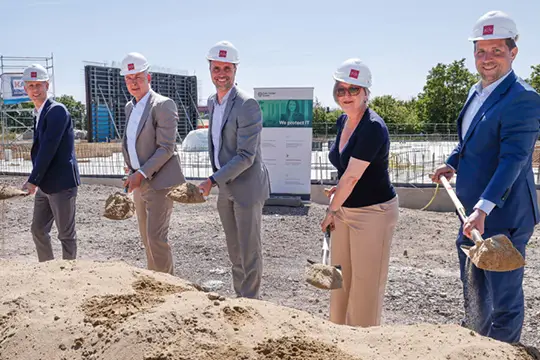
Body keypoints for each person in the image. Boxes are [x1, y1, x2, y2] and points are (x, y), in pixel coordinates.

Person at [430, 10, 540, 344]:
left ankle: (503, 351)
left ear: (513, 52)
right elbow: (469, 143)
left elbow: (514, 160)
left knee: (503, 299)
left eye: (496, 50)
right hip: (471, 213)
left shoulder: (523, 98)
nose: (487, 58)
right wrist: (452, 162)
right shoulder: (476, 93)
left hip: (502, 215)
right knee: (475, 292)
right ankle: (478, 347)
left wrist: (484, 208)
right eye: (481, 51)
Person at [320, 58, 399, 327]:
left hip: (373, 213)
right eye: (340, 89)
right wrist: (338, 193)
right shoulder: (343, 121)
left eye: (354, 89)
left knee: (366, 286)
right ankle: (338, 339)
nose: (346, 95)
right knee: (340, 280)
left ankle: (363, 346)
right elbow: (348, 171)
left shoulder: (373, 127)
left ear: (366, 92)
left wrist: (331, 209)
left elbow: (353, 176)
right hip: (346, 208)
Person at [199, 40, 270, 299]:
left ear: (235, 70)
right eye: (216, 68)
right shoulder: (212, 102)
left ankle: (251, 304)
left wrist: (212, 180)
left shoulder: (246, 104)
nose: (221, 74)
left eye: (226, 69)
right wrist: (218, 180)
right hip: (225, 186)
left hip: (246, 187)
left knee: (249, 250)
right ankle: (240, 299)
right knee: (234, 250)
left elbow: (246, 156)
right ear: (210, 69)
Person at [120, 52, 186, 275]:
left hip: (159, 183)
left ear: (149, 78)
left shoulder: (163, 105)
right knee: (146, 238)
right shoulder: (131, 107)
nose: (134, 83)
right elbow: (135, 142)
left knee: (156, 238)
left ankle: (168, 288)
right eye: (129, 78)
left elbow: (167, 148)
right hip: (140, 182)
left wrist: (141, 173)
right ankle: (153, 284)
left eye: (138, 77)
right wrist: (132, 169)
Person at [21, 64, 81, 262]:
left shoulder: (56, 111)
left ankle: (69, 274)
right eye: (31, 86)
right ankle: (48, 271)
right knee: (38, 230)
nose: (35, 90)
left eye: (39, 85)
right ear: (25, 88)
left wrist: (33, 180)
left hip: (61, 184)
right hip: (46, 185)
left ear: (47, 85)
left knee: (66, 235)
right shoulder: (39, 113)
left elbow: (48, 148)